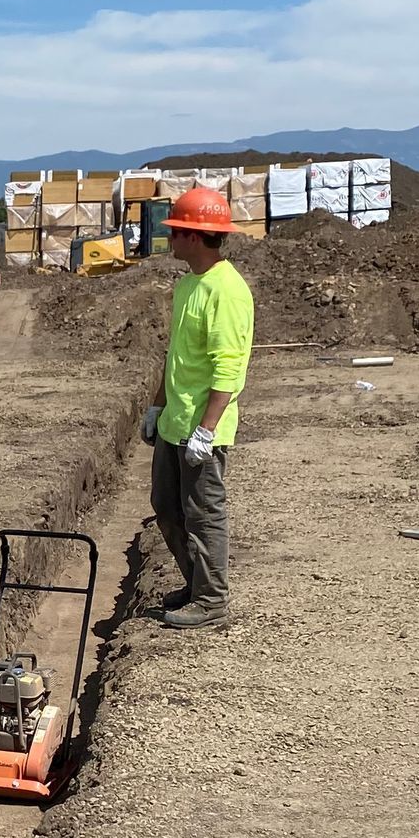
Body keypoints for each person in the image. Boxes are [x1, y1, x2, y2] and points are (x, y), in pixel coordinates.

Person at [142, 182, 255, 631]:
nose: (170, 239)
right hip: (176, 420)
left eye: (175, 231)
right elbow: (177, 355)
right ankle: (195, 585)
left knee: (204, 514)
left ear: (193, 235)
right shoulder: (190, 283)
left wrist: (207, 431)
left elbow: (228, 370)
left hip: (201, 429)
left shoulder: (226, 292)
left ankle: (211, 600)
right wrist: (157, 407)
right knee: (167, 508)